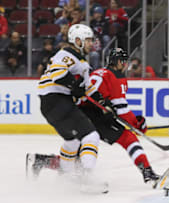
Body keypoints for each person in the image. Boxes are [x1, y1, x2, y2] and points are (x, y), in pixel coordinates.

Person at [27, 48, 159, 184]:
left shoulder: (96, 72)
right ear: (118, 62)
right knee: (128, 138)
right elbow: (121, 110)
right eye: (124, 62)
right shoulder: (116, 77)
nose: (125, 65)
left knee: (76, 155)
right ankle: (147, 172)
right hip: (95, 115)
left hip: (77, 112)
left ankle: (41, 161)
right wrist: (137, 124)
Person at [35, 24, 107, 193]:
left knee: (72, 141)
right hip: (57, 100)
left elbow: (88, 92)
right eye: (88, 40)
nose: (91, 44)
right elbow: (57, 74)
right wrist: (75, 86)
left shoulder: (82, 63)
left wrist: (105, 106)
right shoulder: (67, 54)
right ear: (77, 41)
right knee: (91, 136)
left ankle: (67, 179)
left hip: (51, 105)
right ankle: (86, 177)